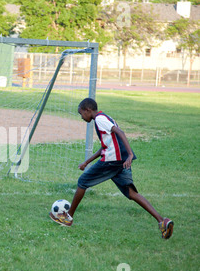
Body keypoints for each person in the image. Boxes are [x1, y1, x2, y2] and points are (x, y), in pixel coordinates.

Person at [50, 97, 174, 239]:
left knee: (82, 181)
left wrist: (130, 154)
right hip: (121, 161)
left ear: (88, 110)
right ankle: (162, 221)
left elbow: (120, 133)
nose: (81, 117)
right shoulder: (104, 118)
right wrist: (87, 162)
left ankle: (68, 218)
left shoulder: (100, 120)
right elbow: (105, 146)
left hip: (113, 161)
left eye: (81, 114)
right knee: (132, 193)